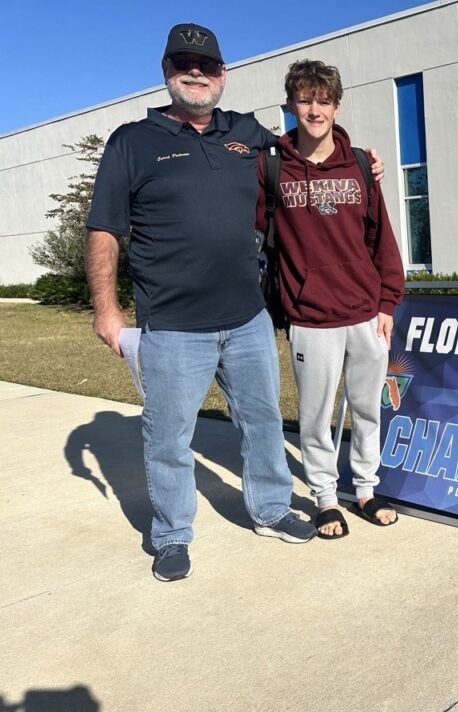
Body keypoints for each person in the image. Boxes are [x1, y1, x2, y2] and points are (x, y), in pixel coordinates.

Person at [84, 24, 383, 581]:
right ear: (167, 70)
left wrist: (359, 159)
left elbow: (307, 150)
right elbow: (103, 228)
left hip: (248, 318)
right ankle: (172, 534)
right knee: (170, 438)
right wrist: (107, 308)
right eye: (183, 63)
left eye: (206, 64)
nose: (195, 72)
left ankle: (270, 509)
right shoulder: (132, 141)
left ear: (223, 74)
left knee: (264, 423)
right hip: (172, 324)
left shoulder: (247, 134)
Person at [257, 60, 404, 538]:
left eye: (323, 100)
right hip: (310, 316)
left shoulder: (360, 163)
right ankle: (324, 497)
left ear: (336, 106)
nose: (314, 109)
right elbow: (255, 232)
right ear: (290, 105)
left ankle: (364, 488)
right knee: (317, 417)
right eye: (304, 99)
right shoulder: (271, 166)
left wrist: (387, 304)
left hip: (365, 315)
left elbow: (381, 238)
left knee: (367, 410)